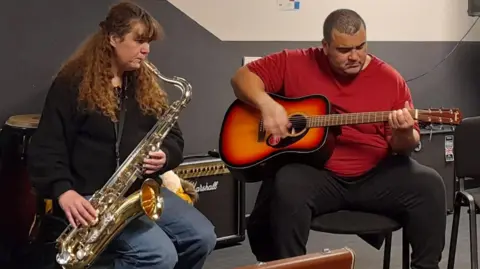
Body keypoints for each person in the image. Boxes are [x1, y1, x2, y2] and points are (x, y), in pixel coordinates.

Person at [230, 8, 446, 269]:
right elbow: (241, 78)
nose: (354, 56)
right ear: (325, 46)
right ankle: (288, 266)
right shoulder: (295, 62)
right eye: (344, 50)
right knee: (285, 184)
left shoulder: (390, 79)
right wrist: (266, 105)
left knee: (430, 185)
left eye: (361, 47)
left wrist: (403, 133)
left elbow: (404, 147)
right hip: (319, 174)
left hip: (375, 175)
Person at [27, 2, 216, 269]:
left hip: (138, 192)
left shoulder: (144, 82)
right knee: (158, 256)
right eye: (139, 41)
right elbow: (46, 147)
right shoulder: (72, 83)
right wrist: (63, 191)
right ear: (114, 39)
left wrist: (165, 157)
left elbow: (173, 136)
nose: (146, 50)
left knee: (202, 238)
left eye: (148, 42)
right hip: (92, 197)